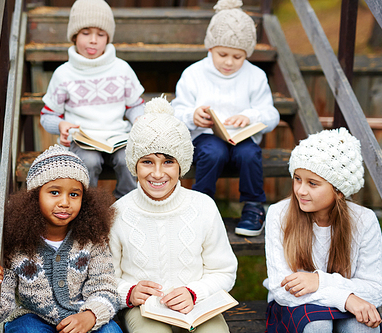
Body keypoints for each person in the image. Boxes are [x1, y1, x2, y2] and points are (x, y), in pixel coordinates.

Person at [110, 97, 238, 333]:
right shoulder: (119, 213)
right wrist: (128, 292)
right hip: (145, 309)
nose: (157, 173)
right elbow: (106, 277)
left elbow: (223, 270)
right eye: (147, 161)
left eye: (168, 161)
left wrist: (194, 292)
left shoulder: (203, 206)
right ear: (134, 165)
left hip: (197, 304)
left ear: (181, 165)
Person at [0, 145, 122, 333]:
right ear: (35, 196)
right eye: (54, 192)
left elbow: (105, 288)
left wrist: (89, 316)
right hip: (32, 318)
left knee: (111, 331)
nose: (65, 203)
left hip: (80, 314)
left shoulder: (92, 239)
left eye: (74, 194)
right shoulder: (16, 242)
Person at [171, 0, 280, 237]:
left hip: (241, 139)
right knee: (213, 153)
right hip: (206, 138)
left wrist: (250, 117)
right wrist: (193, 116)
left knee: (250, 154)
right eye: (222, 54)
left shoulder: (255, 76)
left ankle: (253, 206)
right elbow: (176, 111)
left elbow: (271, 114)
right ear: (210, 48)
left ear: (246, 54)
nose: (229, 62)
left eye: (238, 57)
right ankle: (202, 205)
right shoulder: (194, 74)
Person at [263, 128, 382, 333]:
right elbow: (282, 289)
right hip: (296, 304)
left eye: (313, 183)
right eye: (297, 178)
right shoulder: (279, 214)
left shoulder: (364, 221)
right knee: (317, 326)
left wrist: (319, 281)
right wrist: (345, 298)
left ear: (339, 191)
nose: (301, 191)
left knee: (362, 327)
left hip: (350, 301)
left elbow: (375, 289)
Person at [40, 0, 145, 199]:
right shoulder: (64, 74)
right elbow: (47, 115)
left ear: (108, 37)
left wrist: (138, 118)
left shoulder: (121, 69)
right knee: (89, 161)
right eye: (86, 33)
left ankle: (127, 202)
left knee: (127, 160)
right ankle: (89, 206)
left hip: (117, 137)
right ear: (74, 36)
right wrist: (61, 124)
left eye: (101, 34)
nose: (93, 40)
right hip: (83, 139)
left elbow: (135, 105)